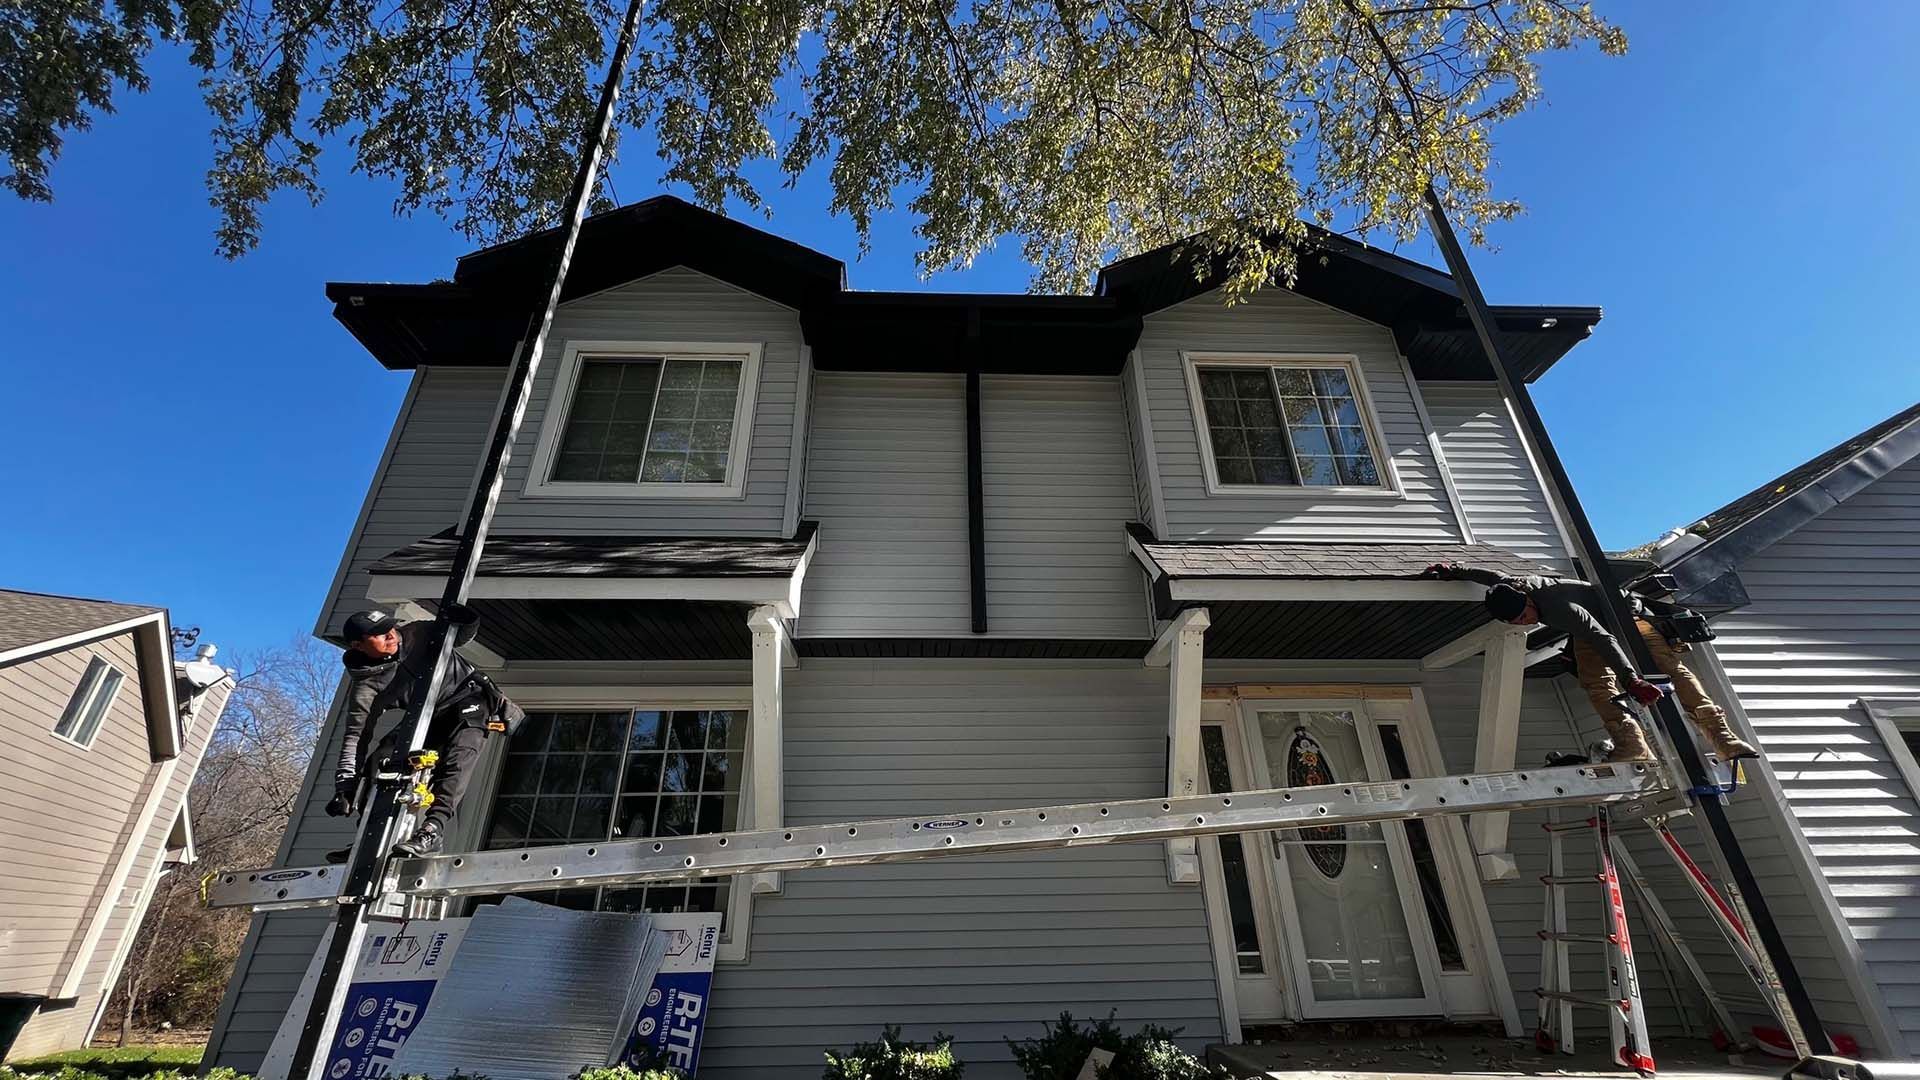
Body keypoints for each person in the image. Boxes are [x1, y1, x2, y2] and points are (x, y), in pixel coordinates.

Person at [1426, 562, 1758, 764]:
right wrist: (1453, 571)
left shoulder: (1558, 607)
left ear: (1528, 601)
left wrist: (1631, 680)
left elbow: (1603, 638)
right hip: (1589, 631)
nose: (1525, 624)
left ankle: (1722, 737)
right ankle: (1632, 744)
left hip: (1627, 621)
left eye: (1525, 617)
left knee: (1670, 670)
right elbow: (1489, 575)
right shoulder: (1513, 587)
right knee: (1595, 682)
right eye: (1516, 623)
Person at [324, 605, 525, 860]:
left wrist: (469, 619)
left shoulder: (417, 632)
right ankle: (368, 836)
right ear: (357, 645)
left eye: (389, 627)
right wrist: (345, 787)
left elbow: (460, 635)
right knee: (383, 759)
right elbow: (356, 737)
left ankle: (433, 830)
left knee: (459, 754)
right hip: (427, 714)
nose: (390, 634)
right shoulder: (367, 687)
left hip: (470, 695)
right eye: (379, 633)